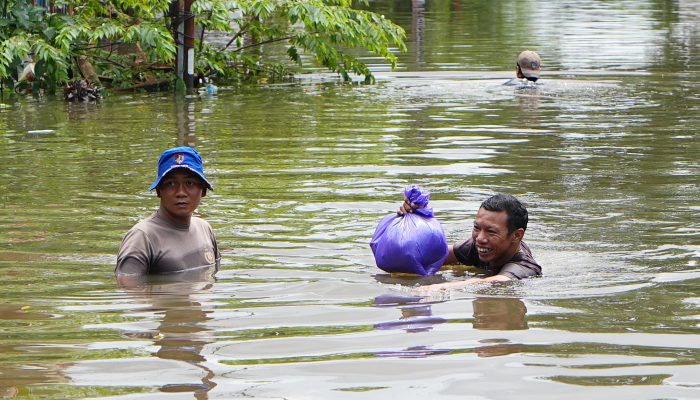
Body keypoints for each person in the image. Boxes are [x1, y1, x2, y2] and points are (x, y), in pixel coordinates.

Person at [399, 194, 541, 290]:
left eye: (491, 232)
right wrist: (412, 220)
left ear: (516, 235)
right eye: (476, 228)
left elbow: (496, 281)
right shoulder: (477, 245)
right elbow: (429, 256)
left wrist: (441, 287)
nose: (480, 238)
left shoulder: (525, 266)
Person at [116, 147, 220, 277]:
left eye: (190, 183)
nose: (181, 192)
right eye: (171, 184)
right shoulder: (142, 237)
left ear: (203, 191)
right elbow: (129, 291)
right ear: (159, 191)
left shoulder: (205, 229)